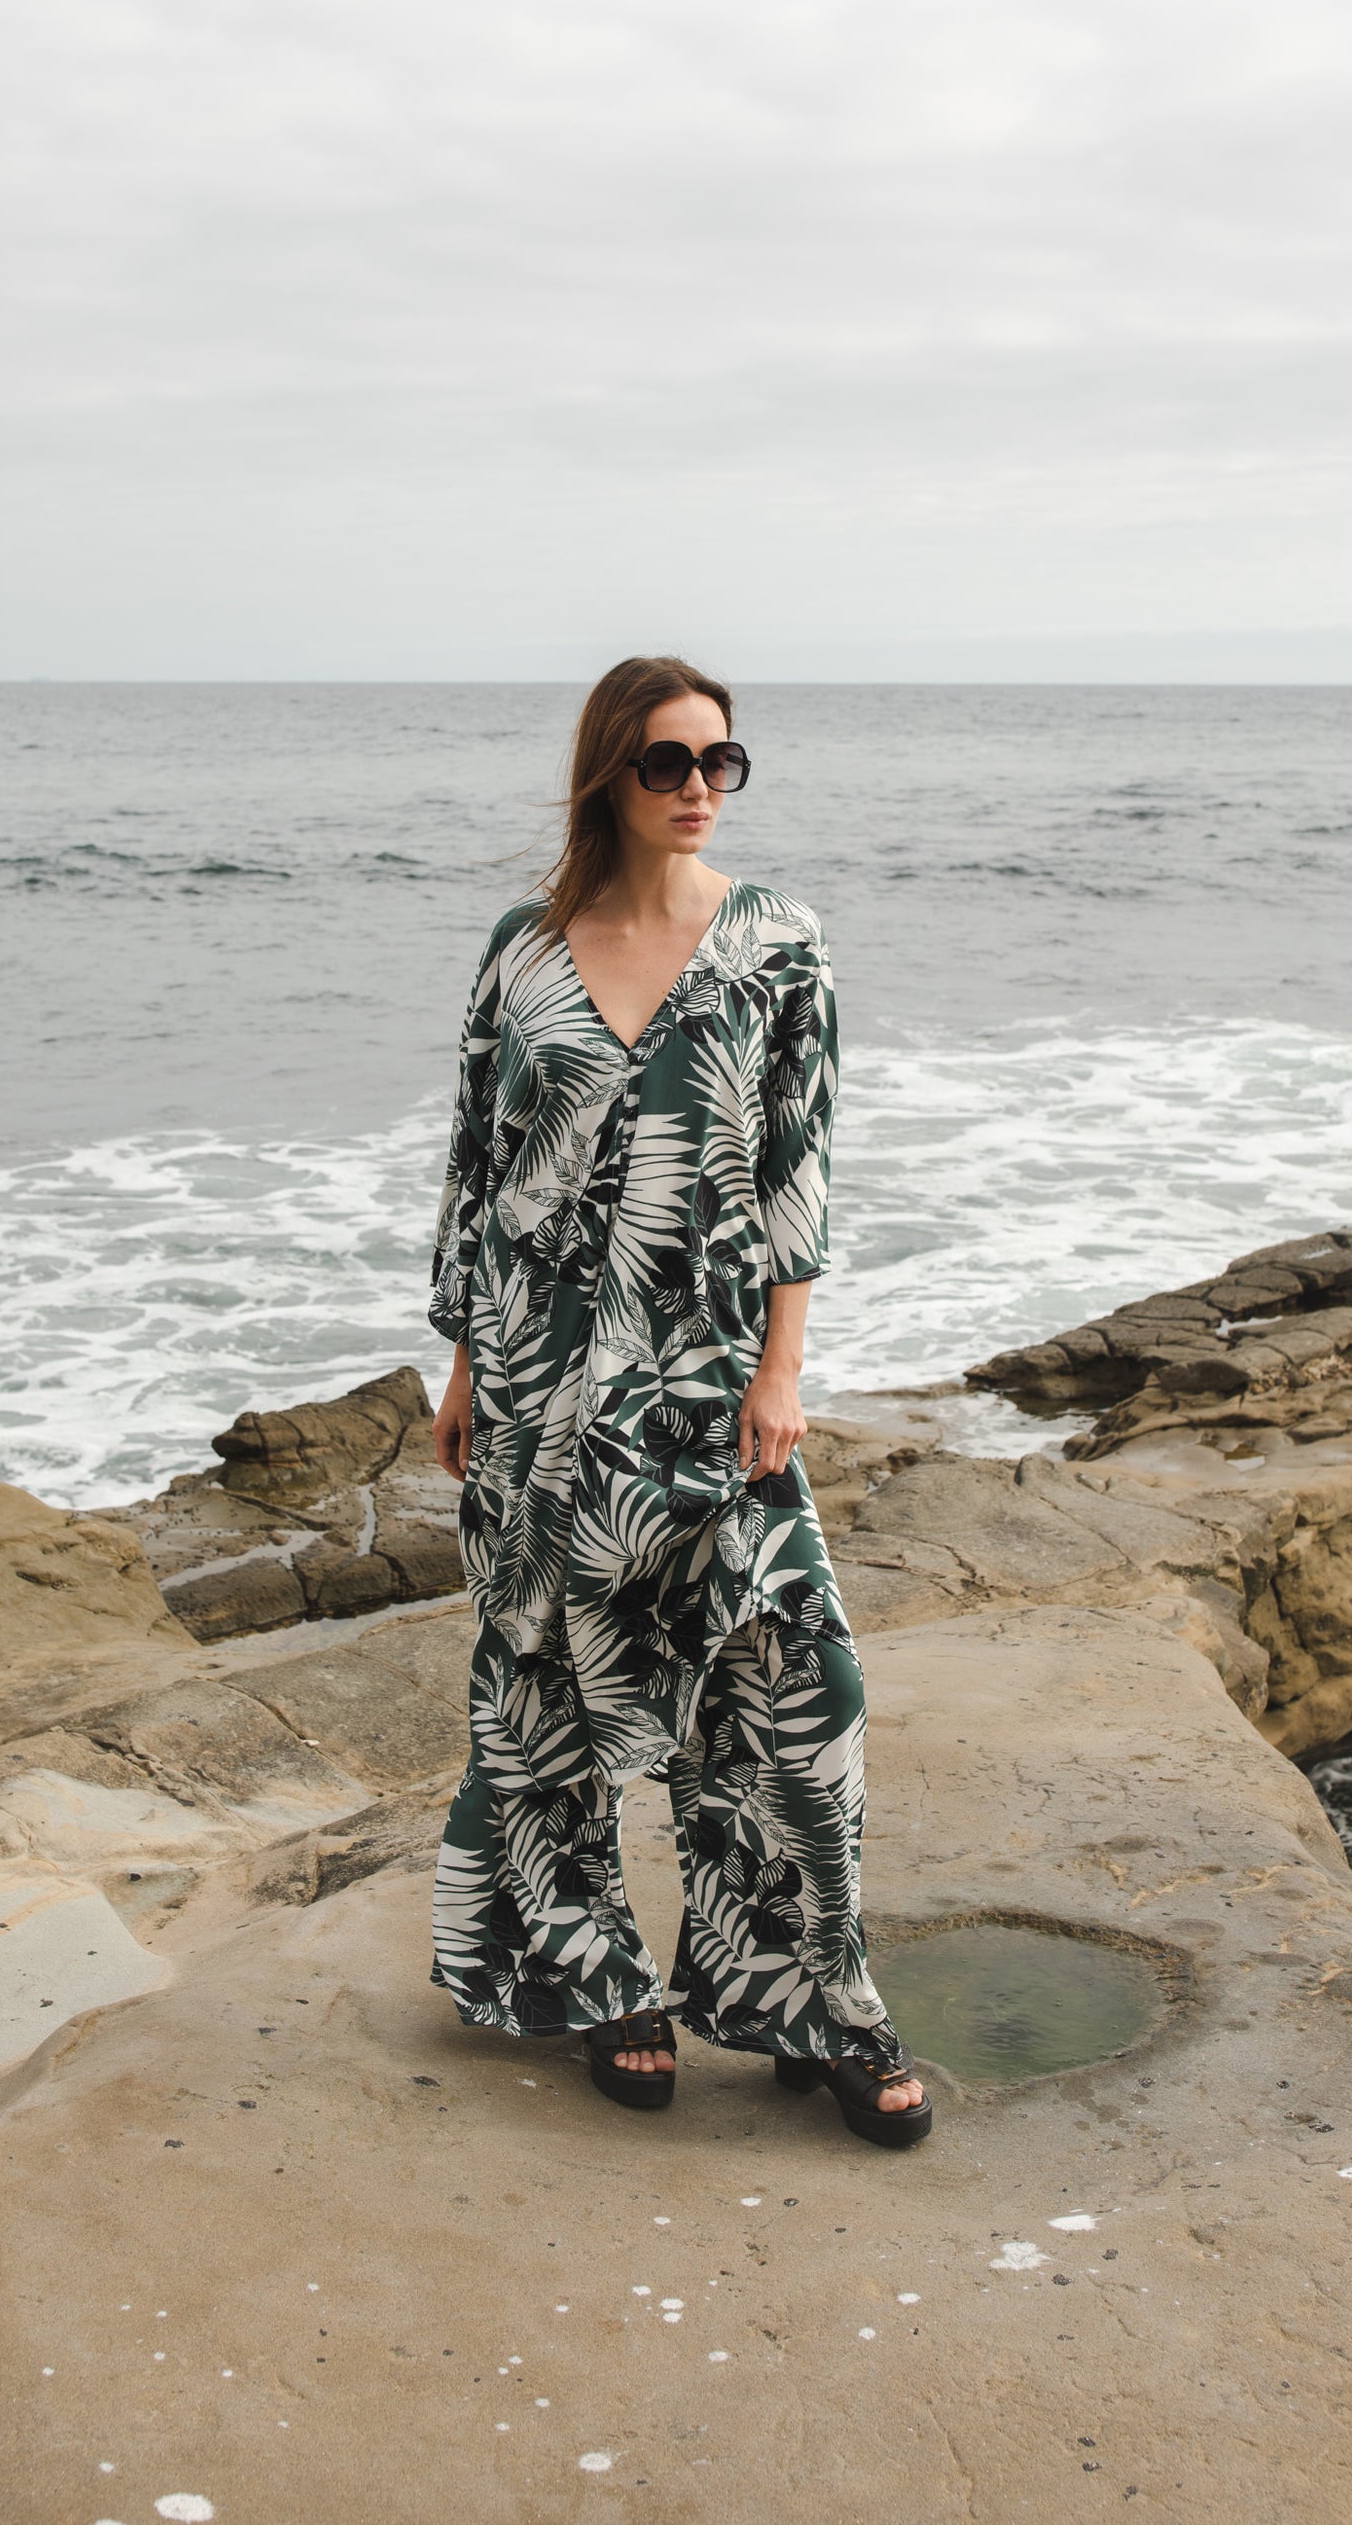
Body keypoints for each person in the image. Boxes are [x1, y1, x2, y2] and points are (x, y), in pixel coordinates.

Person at [425, 654, 929, 2148]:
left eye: (721, 761)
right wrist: (460, 1365)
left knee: (794, 1685)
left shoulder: (778, 943)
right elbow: (474, 1169)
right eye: (666, 762)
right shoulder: (523, 949)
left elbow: (797, 1169)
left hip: (711, 1380)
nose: (699, 786)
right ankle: (595, 1976)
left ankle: (812, 1997)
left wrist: (784, 1368)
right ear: (608, 774)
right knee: (546, 1684)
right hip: (532, 1375)